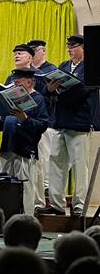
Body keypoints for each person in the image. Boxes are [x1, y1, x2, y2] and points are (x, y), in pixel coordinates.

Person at [38, 34, 100, 216]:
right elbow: (50, 90)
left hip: (79, 122)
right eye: (68, 46)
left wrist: (58, 93)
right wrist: (49, 89)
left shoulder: (91, 67)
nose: (69, 49)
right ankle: (56, 204)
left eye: (73, 46)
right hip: (60, 121)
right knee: (56, 163)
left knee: (79, 165)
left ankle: (79, 204)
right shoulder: (63, 66)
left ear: (84, 47)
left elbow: (83, 90)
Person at [0, 68, 48, 215]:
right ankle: (5, 218)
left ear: (29, 82)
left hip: (25, 150)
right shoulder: (10, 98)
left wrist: (25, 118)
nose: (14, 84)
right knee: (4, 188)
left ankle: (26, 219)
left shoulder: (38, 99)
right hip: (7, 148)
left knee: (26, 188)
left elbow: (42, 125)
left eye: (18, 82)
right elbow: (2, 125)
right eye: (14, 82)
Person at [30, 38, 56, 210]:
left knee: (45, 157)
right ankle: (41, 190)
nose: (32, 54)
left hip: (47, 119)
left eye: (35, 50)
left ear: (43, 51)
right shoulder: (27, 71)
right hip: (30, 120)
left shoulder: (51, 70)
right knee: (37, 159)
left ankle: (47, 189)